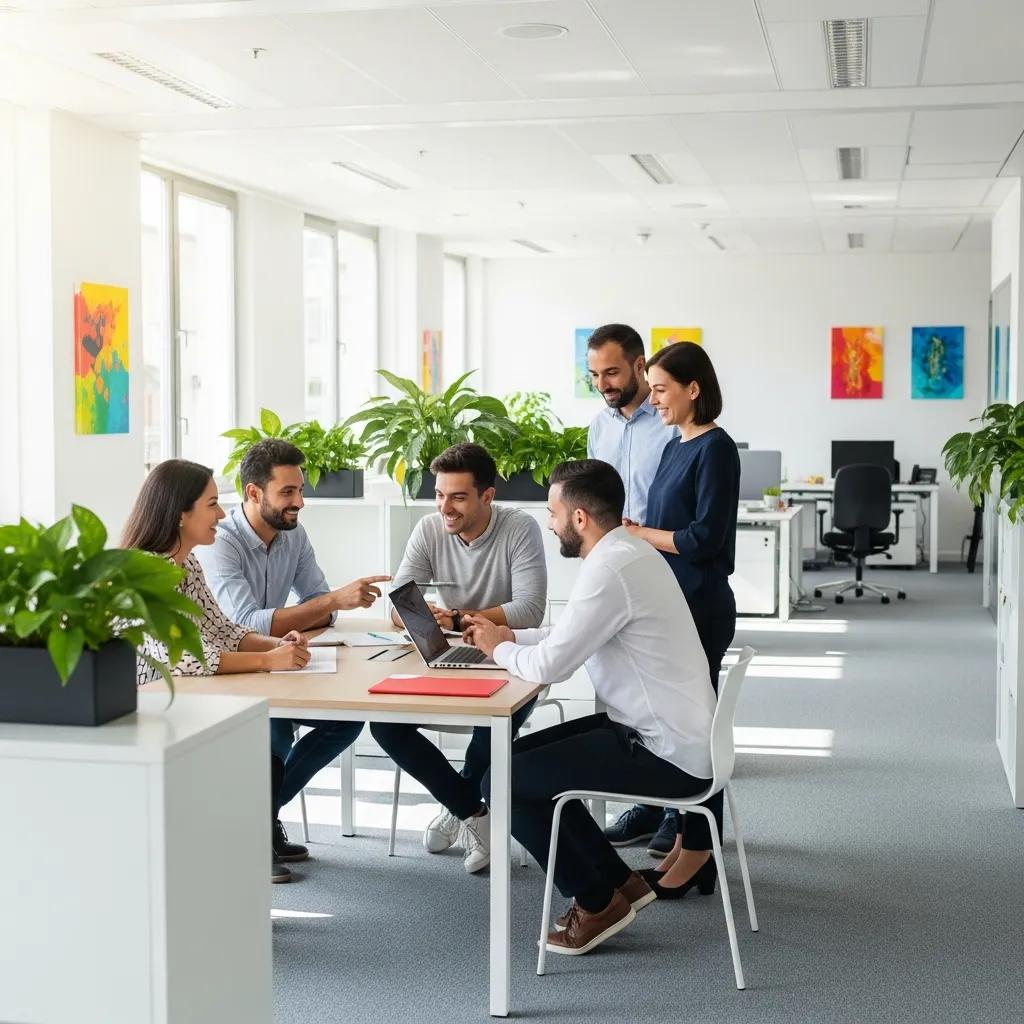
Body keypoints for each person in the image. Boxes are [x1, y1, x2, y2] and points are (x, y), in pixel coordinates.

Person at [467, 460, 716, 955]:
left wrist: (497, 649)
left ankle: (596, 900)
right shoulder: (625, 553)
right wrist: (509, 636)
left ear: (580, 517)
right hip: (662, 730)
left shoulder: (610, 568)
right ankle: (618, 881)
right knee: (509, 766)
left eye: (553, 512)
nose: (550, 522)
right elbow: (567, 637)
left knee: (502, 781)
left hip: (664, 752)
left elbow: (552, 665)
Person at [197, 439, 392, 882]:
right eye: (287, 492)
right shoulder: (219, 543)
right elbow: (245, 623)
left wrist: (322, 606)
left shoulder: (293, 534)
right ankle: (254, 828)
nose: (299, 502)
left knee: (344, 722)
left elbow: (321, 606)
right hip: (230, 667)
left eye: (300, 490)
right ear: (252, 493)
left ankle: (260, 816)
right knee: (275, 729)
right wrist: (327, 602)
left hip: (276, 658)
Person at [122, 459, 312, 884]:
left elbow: (222, 630)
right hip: (147, 716)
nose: (222, 515)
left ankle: (252, 837)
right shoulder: (148, 572)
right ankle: (248, 841)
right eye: (212, 505)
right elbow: (183, 660)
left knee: (265, 739)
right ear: (180, 513)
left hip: (184, 703)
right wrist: (269, 661)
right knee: (260, 738)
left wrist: (277, 646)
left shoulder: (185, 564)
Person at [374, 442, 547, 874]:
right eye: (438, 494)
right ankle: (474, 812)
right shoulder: (431, 529)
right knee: (384, 724)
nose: (444, 507)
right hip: (449, 652)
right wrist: (417, 613)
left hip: (510, 656)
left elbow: (529, 610)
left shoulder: (519, 528)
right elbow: (395, 605)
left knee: (492, 722)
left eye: (457, 497)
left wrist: (454, 615)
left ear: (487, 496)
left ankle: (460, 809)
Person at [622, 340, 740, 897]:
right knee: (677, 727)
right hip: (673, 605)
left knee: (697, 729)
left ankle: (699, 850)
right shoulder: (676, 445)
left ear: (694, 389)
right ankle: (687, 839)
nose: (655, 398)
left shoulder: (716, 448)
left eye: (663, 389)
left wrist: (642, 534)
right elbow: (665, 523)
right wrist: (636, 529)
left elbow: (703, 539)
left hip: (701, 606)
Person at [586, 323, 678, 856]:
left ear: (641, 365)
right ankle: (645, 802)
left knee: (666, 694)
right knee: (627, 695)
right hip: (613, 571)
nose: (604, 383)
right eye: (595, 374)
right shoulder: (599, 426)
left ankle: (675, 808)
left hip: (660, 569)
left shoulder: (668, 424)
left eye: (613, 372)